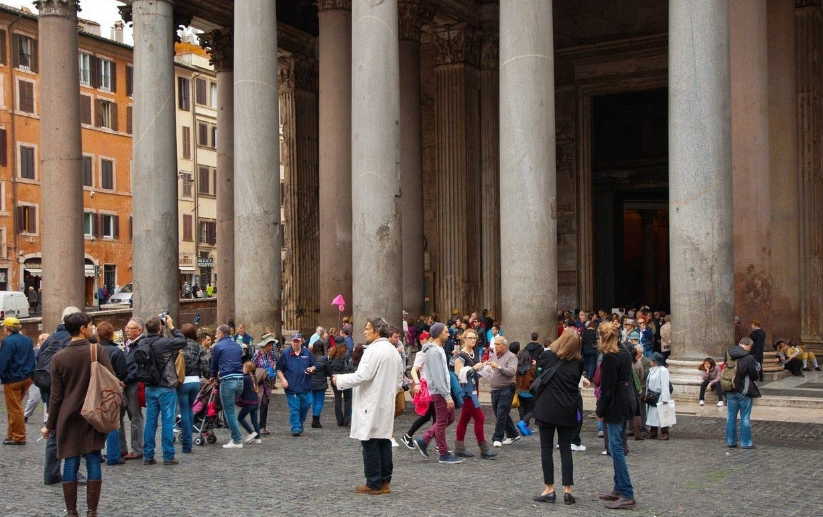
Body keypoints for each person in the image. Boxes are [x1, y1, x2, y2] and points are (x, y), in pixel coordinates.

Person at [41, 311, 115, 517]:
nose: (92, 328)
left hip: (69, 415)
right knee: (93, 459)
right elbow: (111, 380)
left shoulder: (58, 358)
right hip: (94, 412)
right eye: (90, 325)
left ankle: (72, 512)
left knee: (70, 461)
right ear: (82, 329)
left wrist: (49, 425)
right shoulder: (97, 350)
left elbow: (56, 397)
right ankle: (92, 511)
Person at [333, 317, 404, 495]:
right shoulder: (393, 351)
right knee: (384, 441)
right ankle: (385, 481)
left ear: (377, 331)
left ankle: (373, 483)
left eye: (367, 328)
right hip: (385, 402)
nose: (364, 332)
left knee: (370, 442)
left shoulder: (373, 350)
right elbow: (399, 380)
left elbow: (362, 376)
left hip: (371, 403)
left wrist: (339, 379)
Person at [532, 327, 584, 506]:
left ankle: (549, 489)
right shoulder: (578, 362)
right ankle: (568, 491)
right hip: (567, 409)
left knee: (546, 449)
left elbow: (539, 375)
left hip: (547, 408)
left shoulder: (547, 356)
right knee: (566, 450)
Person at [596, 321, 637, 510]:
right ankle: (619, 488)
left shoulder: (610, 357)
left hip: (615, 404)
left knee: (616, 448)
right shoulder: (624, 351)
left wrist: (600, 411)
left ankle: (626, 492)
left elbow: (607, 389)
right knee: (616, 445)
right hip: (625, 399)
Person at [139, 315, 186, 466]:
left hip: (149, 386)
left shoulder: (142, 342)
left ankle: (148, 455)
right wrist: (171, 326)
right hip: (166, 386)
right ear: (160, 327)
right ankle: (168, 455)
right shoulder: (164, 343)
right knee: (167, 421)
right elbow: (182, 340)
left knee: (150, 422)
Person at [414, 322, 462, 464]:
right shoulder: (434, 352)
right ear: (438, 333)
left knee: (449, 418)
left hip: (443, 390)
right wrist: (447, 396)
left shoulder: (438, 349)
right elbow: (437, 376)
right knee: (441, 421)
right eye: (446, 332)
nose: (448, 334)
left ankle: (425, 439)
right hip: (439, 392)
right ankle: (443, 453)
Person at [452, 328, 496, 459]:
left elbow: (476, 373)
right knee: (480, 417)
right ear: (464, 339)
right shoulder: (460, 356)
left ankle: (459, 448)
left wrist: (485, 368)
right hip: (466, 391)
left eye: (475, 338)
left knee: (464, 418)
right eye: (470, 338)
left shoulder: (475, 352)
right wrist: (473, 368)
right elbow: (459, 374)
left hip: (474, 388)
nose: (473, 340)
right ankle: (484, 449)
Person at [0, 316, 36, 445]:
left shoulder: (8, 342)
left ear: (6, 328)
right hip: (26, 377)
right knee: (15, 406)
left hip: (13, 378)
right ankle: (12, 434)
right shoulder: (27, 339)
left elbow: (4, 361)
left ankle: (19, 436)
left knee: (14, 409)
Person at [97, 322, 128, 466]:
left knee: (96, 421)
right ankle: (113, 455)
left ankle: (95, 453)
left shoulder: (93, 350)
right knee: (114, 422)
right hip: (112, 390)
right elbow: (122, 373)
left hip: (96, 389)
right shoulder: (116, 351)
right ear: (111, 335)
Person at [211, 324, 246, 448]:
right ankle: (235, 437)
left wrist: (213, 377)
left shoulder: (218, 346)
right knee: (230, 410)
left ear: (221, 334)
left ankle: (237, 440)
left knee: (229, 412)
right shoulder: (237, 346)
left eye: (216, 333)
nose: (216, 336)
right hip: (240, 380)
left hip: (228, 380)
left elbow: (214, 365)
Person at [176, 323, 210, 453]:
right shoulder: (199, 347)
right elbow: (205, 366)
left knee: (184, 410)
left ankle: (187, 444)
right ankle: (188, 442)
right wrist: (208, 376)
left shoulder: (178, 346)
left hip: (183, 381)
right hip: (195, 381)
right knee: (190, 409)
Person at [276, 332, 316, 436]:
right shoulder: (285, 354)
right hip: (291, 387)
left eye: (297, 341)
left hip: (305, 386)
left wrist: (311, 369)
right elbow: (279, 369)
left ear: (301, 341)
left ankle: (300, 422)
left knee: (307, 405)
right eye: (294, 341)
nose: (295, 343)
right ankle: (296, 428)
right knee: (294, 409)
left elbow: (314, 365)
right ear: (291, 342)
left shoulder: (307, 353)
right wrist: (283, 380)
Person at [725, 337, 761, 449]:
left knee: (731, 416)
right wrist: (757, 369)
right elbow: (754, 375)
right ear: (748, 345)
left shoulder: (728, 353)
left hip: (730, 387)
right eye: (750, 347)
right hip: (744, 390)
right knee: (745, 417)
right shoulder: (748, 357)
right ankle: (746, 443)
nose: (750, 349)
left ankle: (730, 442)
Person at [487, 335, 520, 447]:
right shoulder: (494, 355)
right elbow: (489, 364)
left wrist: (499, 367)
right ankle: (513, 434)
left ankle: (497, 438)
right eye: (495, 344)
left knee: (501, 414)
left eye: (498, 344)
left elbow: (512, 371)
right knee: (500, 414)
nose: (495, 346)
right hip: (494, 389)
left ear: (504, 345)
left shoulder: (511, 356)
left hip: (506, 389)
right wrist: (487, 366)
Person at [120, 318, 145, 461]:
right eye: (126, 327)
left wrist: (126, 380)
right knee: (119, 416)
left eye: (130, 328)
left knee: (135, 416)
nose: (126, 329)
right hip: (125, 383)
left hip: (134, 383)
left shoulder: (142, 344)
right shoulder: (127, 343)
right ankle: (122, 449)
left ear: (139, 330)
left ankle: (137, 449)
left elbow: (139, 368)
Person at [252, 334, 280, 435]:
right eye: (270, 345)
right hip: (259, 382)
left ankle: (262, 425)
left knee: (266, 403)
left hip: (268, 383)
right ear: (265, 345)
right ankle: (261, 426)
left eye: (272, 345)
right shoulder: (257, 354)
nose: (271, 347)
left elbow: (275, 362)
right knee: (263, 403)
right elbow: (251, 367)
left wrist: (272, 369)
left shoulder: (270, 355)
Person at [645, 352, 672, 440]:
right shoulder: (651, 370)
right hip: (651, 395)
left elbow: (665, 385)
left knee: (662, 414)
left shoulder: (663, 370)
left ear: (656, 361)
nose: (650, 361)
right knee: (652, 415)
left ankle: (665, 432)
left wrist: (665, 398)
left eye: (652, 360)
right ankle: (653, 431)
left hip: (660, 396)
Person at [24, 333, 49, 424]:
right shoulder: (34, 351)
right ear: (40, 341)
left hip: (47, 377)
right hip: (36, 377)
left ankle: (47, 419)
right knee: (34, 399)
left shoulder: (50, 351)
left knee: (47, 398)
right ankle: (26, 414)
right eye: (45, 339)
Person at [328, 335, 353, 427]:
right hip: (344, 377)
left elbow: (329, 366)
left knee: (337, 399)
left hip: (334, 377)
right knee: (347, 399)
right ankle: (347, 420)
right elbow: (349, 367)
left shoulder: (331, 353)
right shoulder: (346, 354)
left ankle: (339, 420)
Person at [237, 361, 262, 444]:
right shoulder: (253, 377)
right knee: (254, 420)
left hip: (249, 403)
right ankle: (258, 438)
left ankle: (251, 433)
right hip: (256, 402)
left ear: (246, 368)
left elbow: (240, 389)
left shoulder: (244, 378)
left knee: (240, 418)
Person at [310, 340, 332, 428]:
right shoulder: (323, 358)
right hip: (321, 382)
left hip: (311, 382)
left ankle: (314, 418)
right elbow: (328, 371)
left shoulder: (310, 357)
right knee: (319, 401)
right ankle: (316, 419)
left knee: (314, 401)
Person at [515, 345, 537, 436]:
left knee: (524, 410)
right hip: (529, 393)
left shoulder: (517, 368)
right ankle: (523, 423)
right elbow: (536, 378)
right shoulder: (531, 368)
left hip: (520, 392)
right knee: (532, 411)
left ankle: (526, 428)